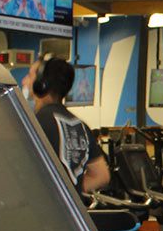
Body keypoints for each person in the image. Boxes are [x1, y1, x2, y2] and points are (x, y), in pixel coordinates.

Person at [22, 57, 110, 192]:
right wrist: (71, 193)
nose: (24, 81)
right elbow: (102, 175)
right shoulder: (81, 127)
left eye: (29, 75)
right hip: (68, 211)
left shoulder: (34, 123)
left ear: (41, 84)